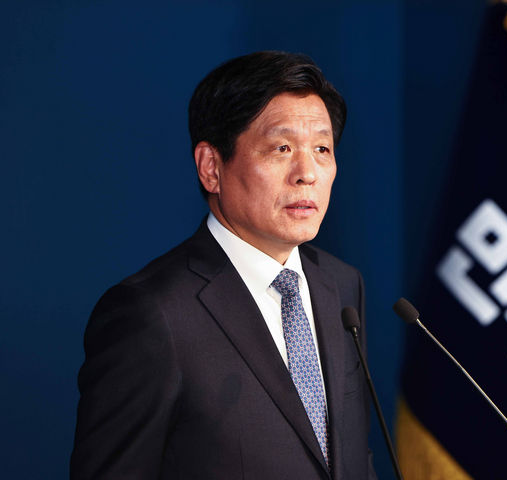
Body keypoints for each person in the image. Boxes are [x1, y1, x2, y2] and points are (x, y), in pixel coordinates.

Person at [70, 51, 377, 480]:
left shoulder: (341, 285)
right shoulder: (152, 315)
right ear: (211, 168)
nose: (307, 173)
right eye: (282, 148)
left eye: (322, 149)